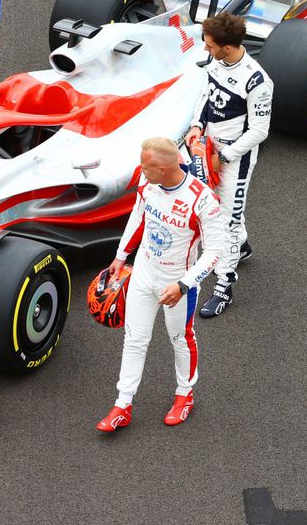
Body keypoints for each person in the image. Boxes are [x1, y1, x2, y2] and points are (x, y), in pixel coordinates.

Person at [96, 137, 226, 433]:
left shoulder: (202, 199)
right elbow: (138, 216)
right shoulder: (147, 183)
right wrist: (120, 256)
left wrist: (184, 284)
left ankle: (185, 395)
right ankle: (122, 405)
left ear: (165, 169)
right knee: (134, 338)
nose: (141, 170)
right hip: (144, 271)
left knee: (180, 338)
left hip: (177, 282)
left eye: (146, 166)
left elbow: (216, 251)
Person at [184, 12, 273, 318]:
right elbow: (206, 96)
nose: (206, 50)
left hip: (236, 158)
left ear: (227, 46)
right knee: (214, 207)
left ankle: (224, 285)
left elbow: (260, 131)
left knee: (227, 219)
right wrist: (196, 126)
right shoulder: (216, 62)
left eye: (210, 45)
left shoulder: (258, 81)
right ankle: (242, 247)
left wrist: (223, 157)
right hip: (208, 146)